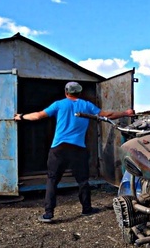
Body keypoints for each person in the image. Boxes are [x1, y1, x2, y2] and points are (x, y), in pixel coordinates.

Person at [14, 81, 134, 223]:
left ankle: (48, 214)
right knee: (83, 181)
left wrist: (20, 117)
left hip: (59, 148)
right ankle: (86, 209)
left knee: (52, 180)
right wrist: (125, 113)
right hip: (78, 149)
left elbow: (38, 116)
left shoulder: (59, 104)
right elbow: (107, 115)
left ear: (66, 92)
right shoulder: (86, 105)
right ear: (80, 92)